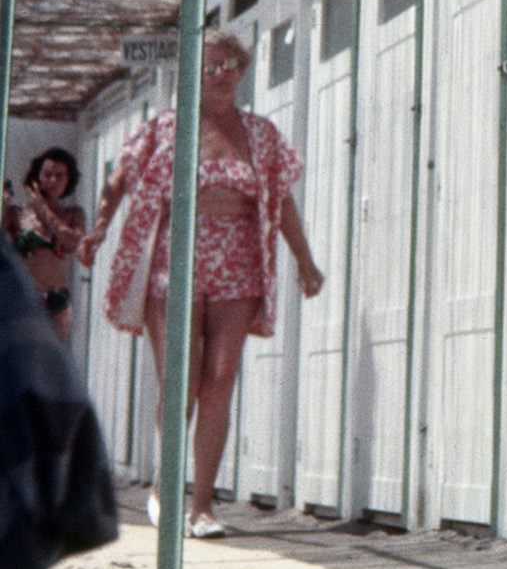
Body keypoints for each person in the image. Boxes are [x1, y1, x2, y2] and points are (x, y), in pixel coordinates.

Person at [77, 30, 325, 537]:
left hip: (239, 261)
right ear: (192, 71)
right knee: (181, 381)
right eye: (210, 65)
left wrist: (305, 261)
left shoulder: (260, 133)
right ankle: (166, 490)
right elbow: (120, 177)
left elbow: (282, 200)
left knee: (219, 381)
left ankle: (204, 506)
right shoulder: (166, 127)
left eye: (231, 64)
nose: (221, 74)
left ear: (243, 69)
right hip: (173, 257)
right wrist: (100, 227)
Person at [6, 149, 83, 344]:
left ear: (68, 180)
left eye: (60, 175)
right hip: (24, 300)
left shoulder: (73, 215)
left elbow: (74, 242)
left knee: (54, 361)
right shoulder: (17, 214)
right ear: (37, 177)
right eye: (47, 174)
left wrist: (44, 210)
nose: (53, 181)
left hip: (57, 300)